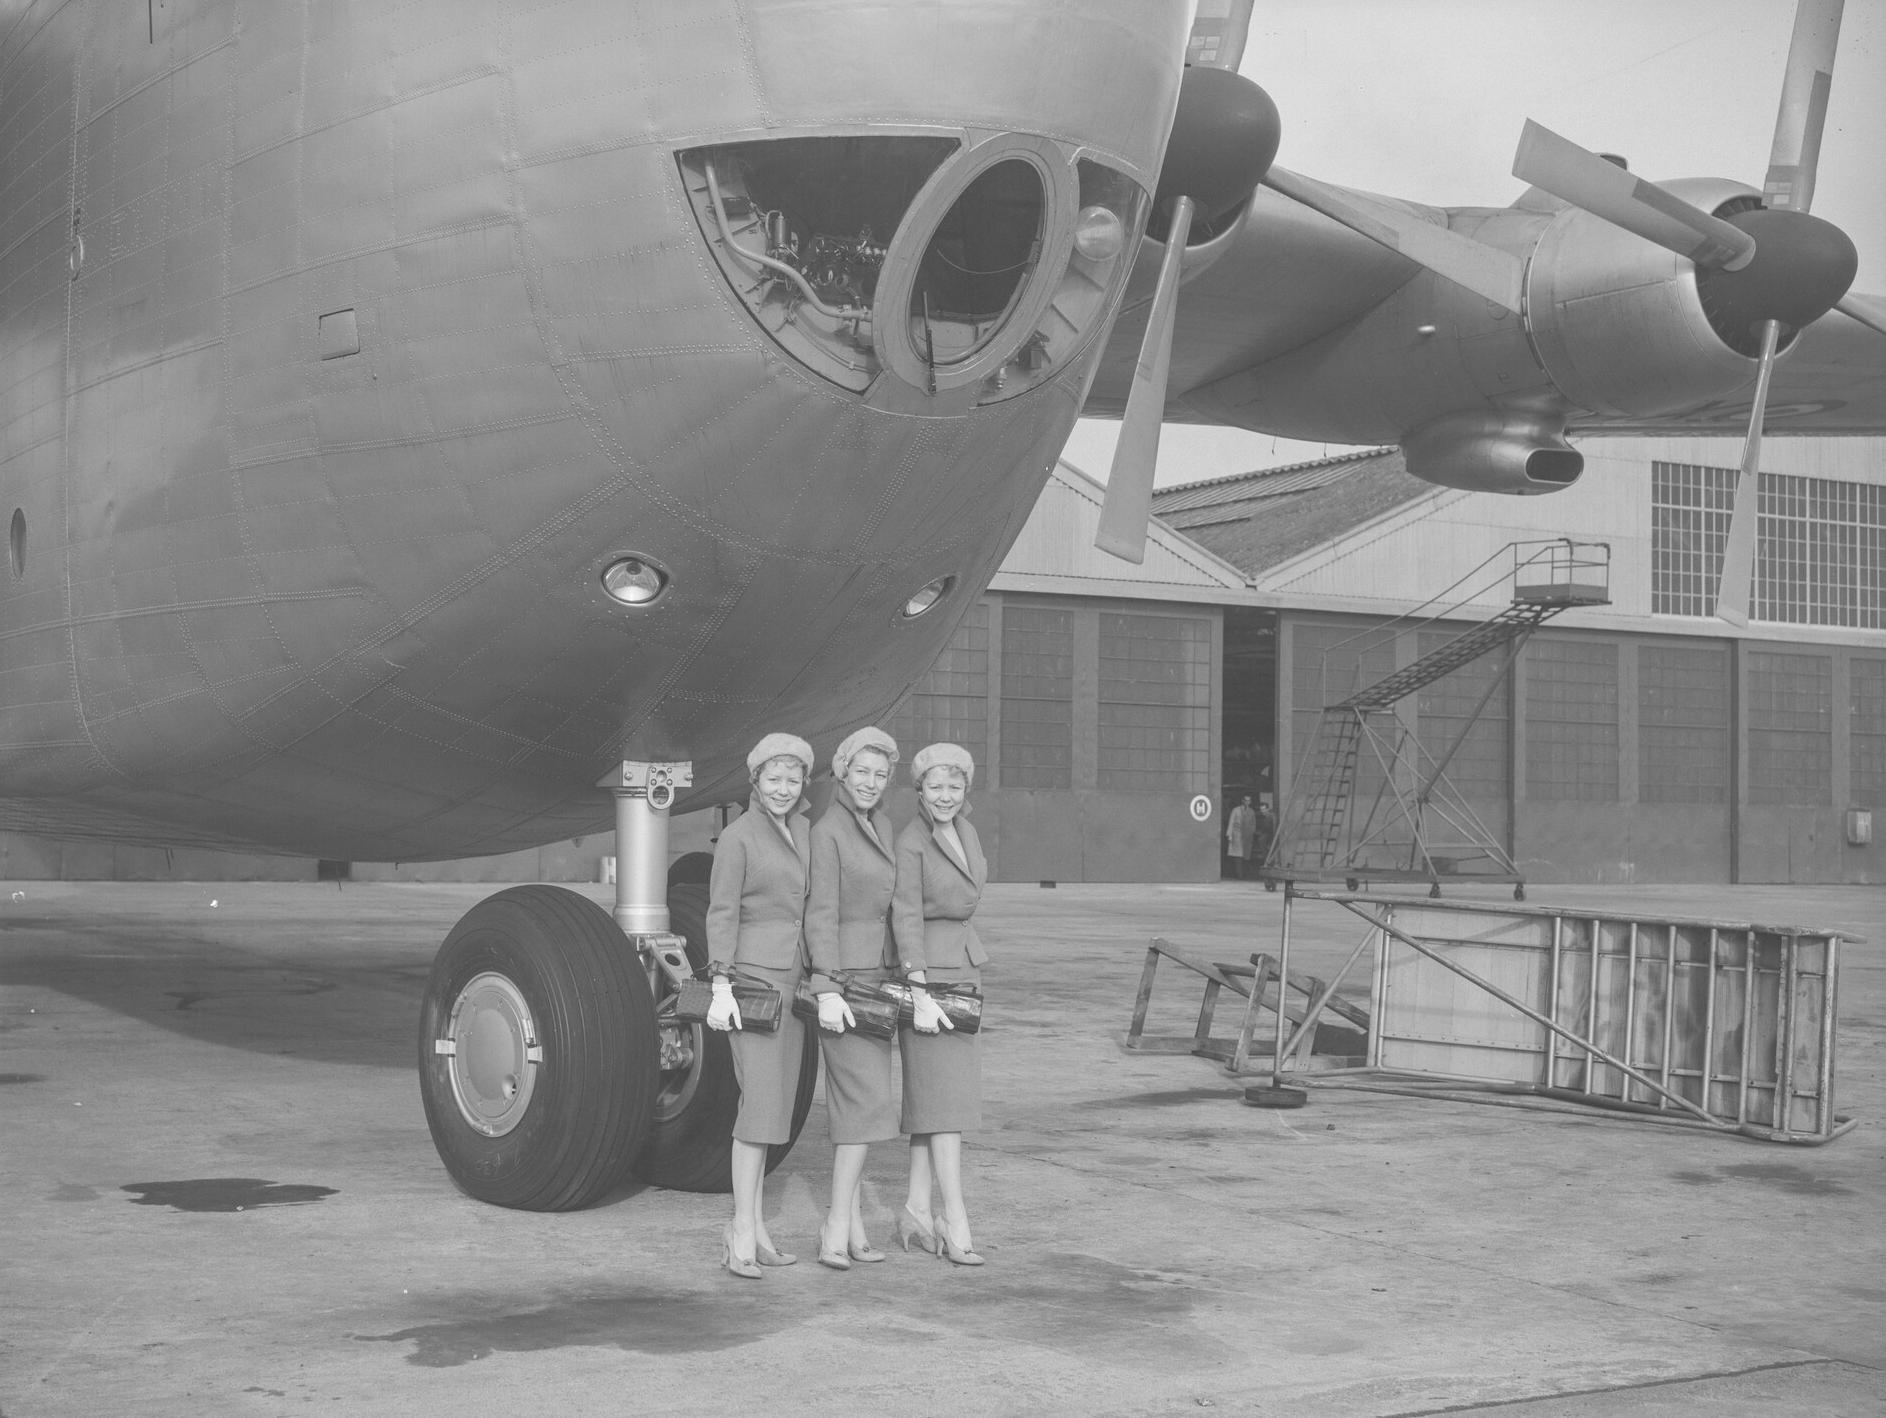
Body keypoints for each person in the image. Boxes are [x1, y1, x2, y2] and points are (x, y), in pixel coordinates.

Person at [705, 731, 815, 1279]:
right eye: (774, 778)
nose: (784, 788)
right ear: (755, 780)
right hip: (752, 983)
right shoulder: (738, 838)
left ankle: (757, 1225)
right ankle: (740, 1228)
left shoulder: (802, 831)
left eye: (793, 780)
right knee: (757, 1107)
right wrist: (720, 979)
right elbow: (721, 912)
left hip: (793, 983)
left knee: (776, 1108)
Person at [805, 727, 901, 1271]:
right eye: (861, 771)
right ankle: (836, 1223)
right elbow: (820, 913)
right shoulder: (829, 831)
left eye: (880, 774)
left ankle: (854, 1220)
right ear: (842, 771)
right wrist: (826, 985)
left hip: (876, 980)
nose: (869, 782)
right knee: (863, 1106)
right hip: (844, 984)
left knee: (861, 1108)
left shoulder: (880, 823)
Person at [890, 742, 987, 1266]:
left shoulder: (966, 831)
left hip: (964, 969)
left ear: (964, 789)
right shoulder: (912, 842)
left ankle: (914, 1211)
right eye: (935, 787)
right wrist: (919, 989)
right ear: (919, 790)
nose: (945, 796)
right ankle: (954, 1215)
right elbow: (904, 915)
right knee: (947, 1106)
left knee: (936, 1105)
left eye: (954, 786)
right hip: (931, 980)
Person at [1226, 794, 1257, 879]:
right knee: (1238, 855)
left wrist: (1251, 832)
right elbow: (1231, 822)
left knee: (1246, 856)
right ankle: (1239, 875)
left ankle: (1245, 875)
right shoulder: (1236, 810)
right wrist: (1229, 835)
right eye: (1246, 800)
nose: (1247, 802)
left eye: (1249, 800)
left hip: (1247, 836)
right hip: (1237, 834)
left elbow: (1253, 824)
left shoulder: (1251, 811)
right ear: (1242, 801)